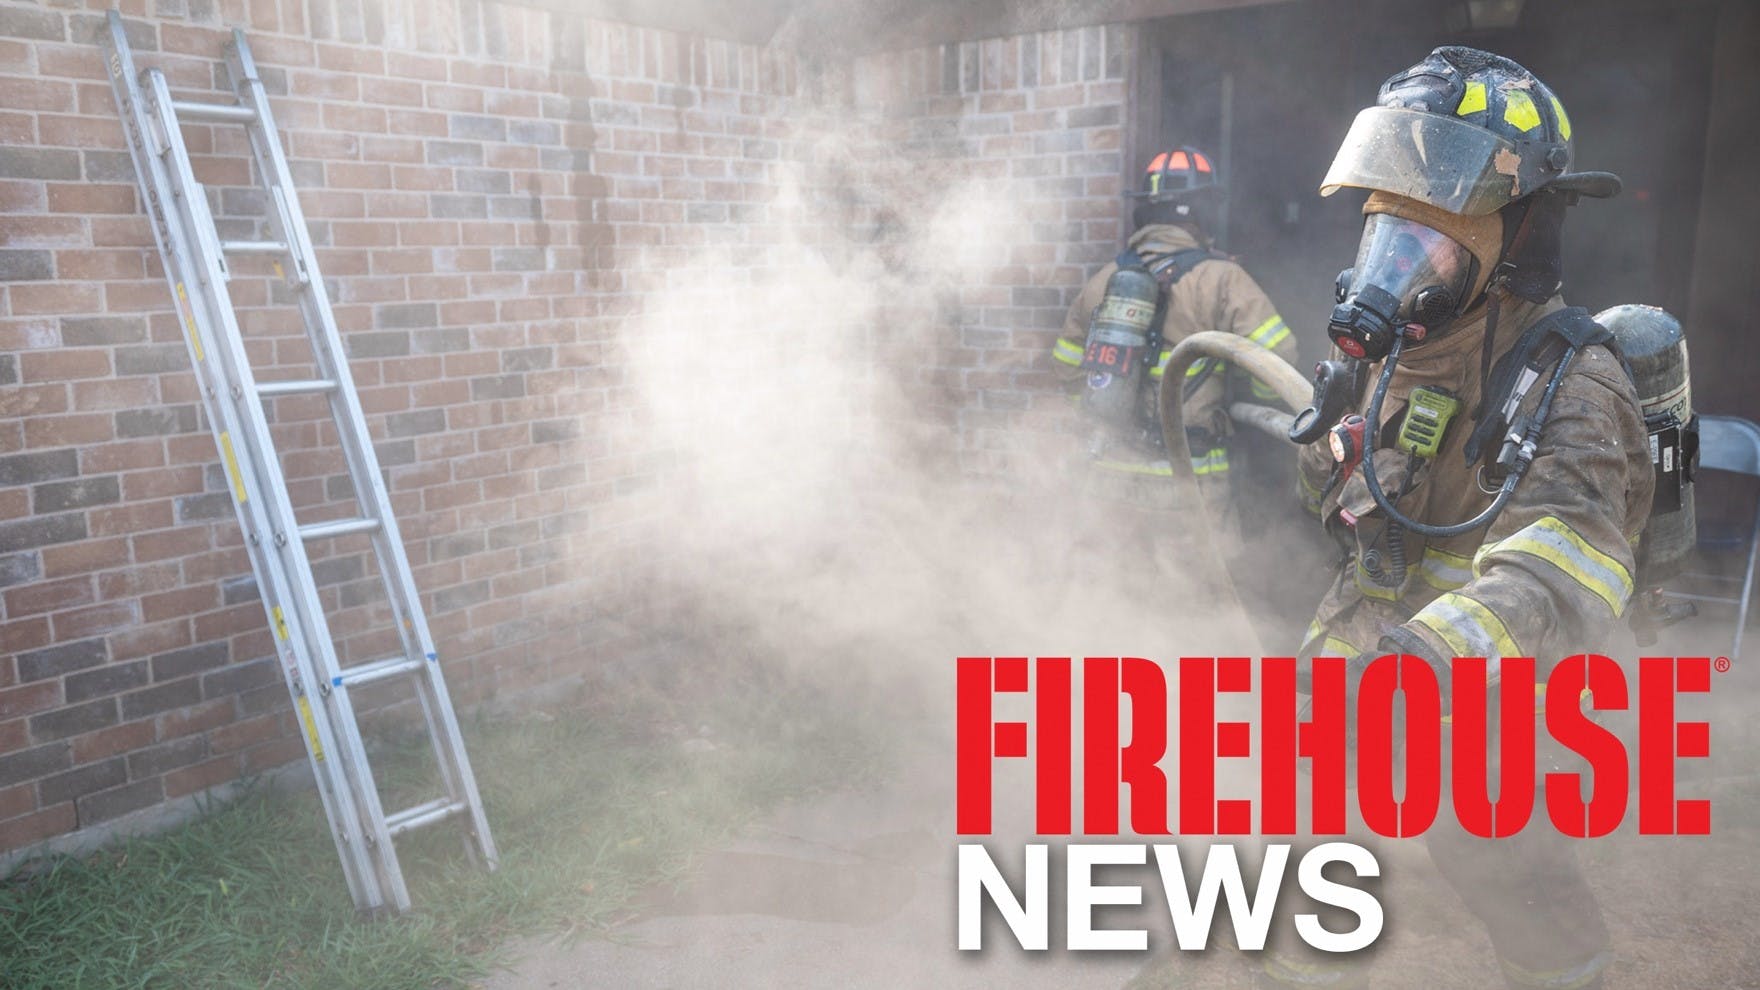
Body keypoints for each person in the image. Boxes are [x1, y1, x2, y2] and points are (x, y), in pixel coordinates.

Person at [1280, 46, 1648, 990]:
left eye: (1430, 241)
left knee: (1494, 852)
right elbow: (1345, 508)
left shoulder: (1575, 384)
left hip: (1491, 688)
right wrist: (1333, 452)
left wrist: (1418, 660)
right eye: (1387, 233)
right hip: (1368, 654)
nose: (1396, 268)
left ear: (1514, 241)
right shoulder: (1394, 353)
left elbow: (1562, 573)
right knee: (1311, 847)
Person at [1052, 147, 1299, 533]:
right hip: (1190, 482)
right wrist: (1252, 401)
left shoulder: (1103, 279)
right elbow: (1279, 356)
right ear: (1202, 211)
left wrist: (1106, 411)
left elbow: (1067, 367)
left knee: (1115, 568)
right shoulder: (1222, 279)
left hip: (1110, 478)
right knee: (1200, 571)